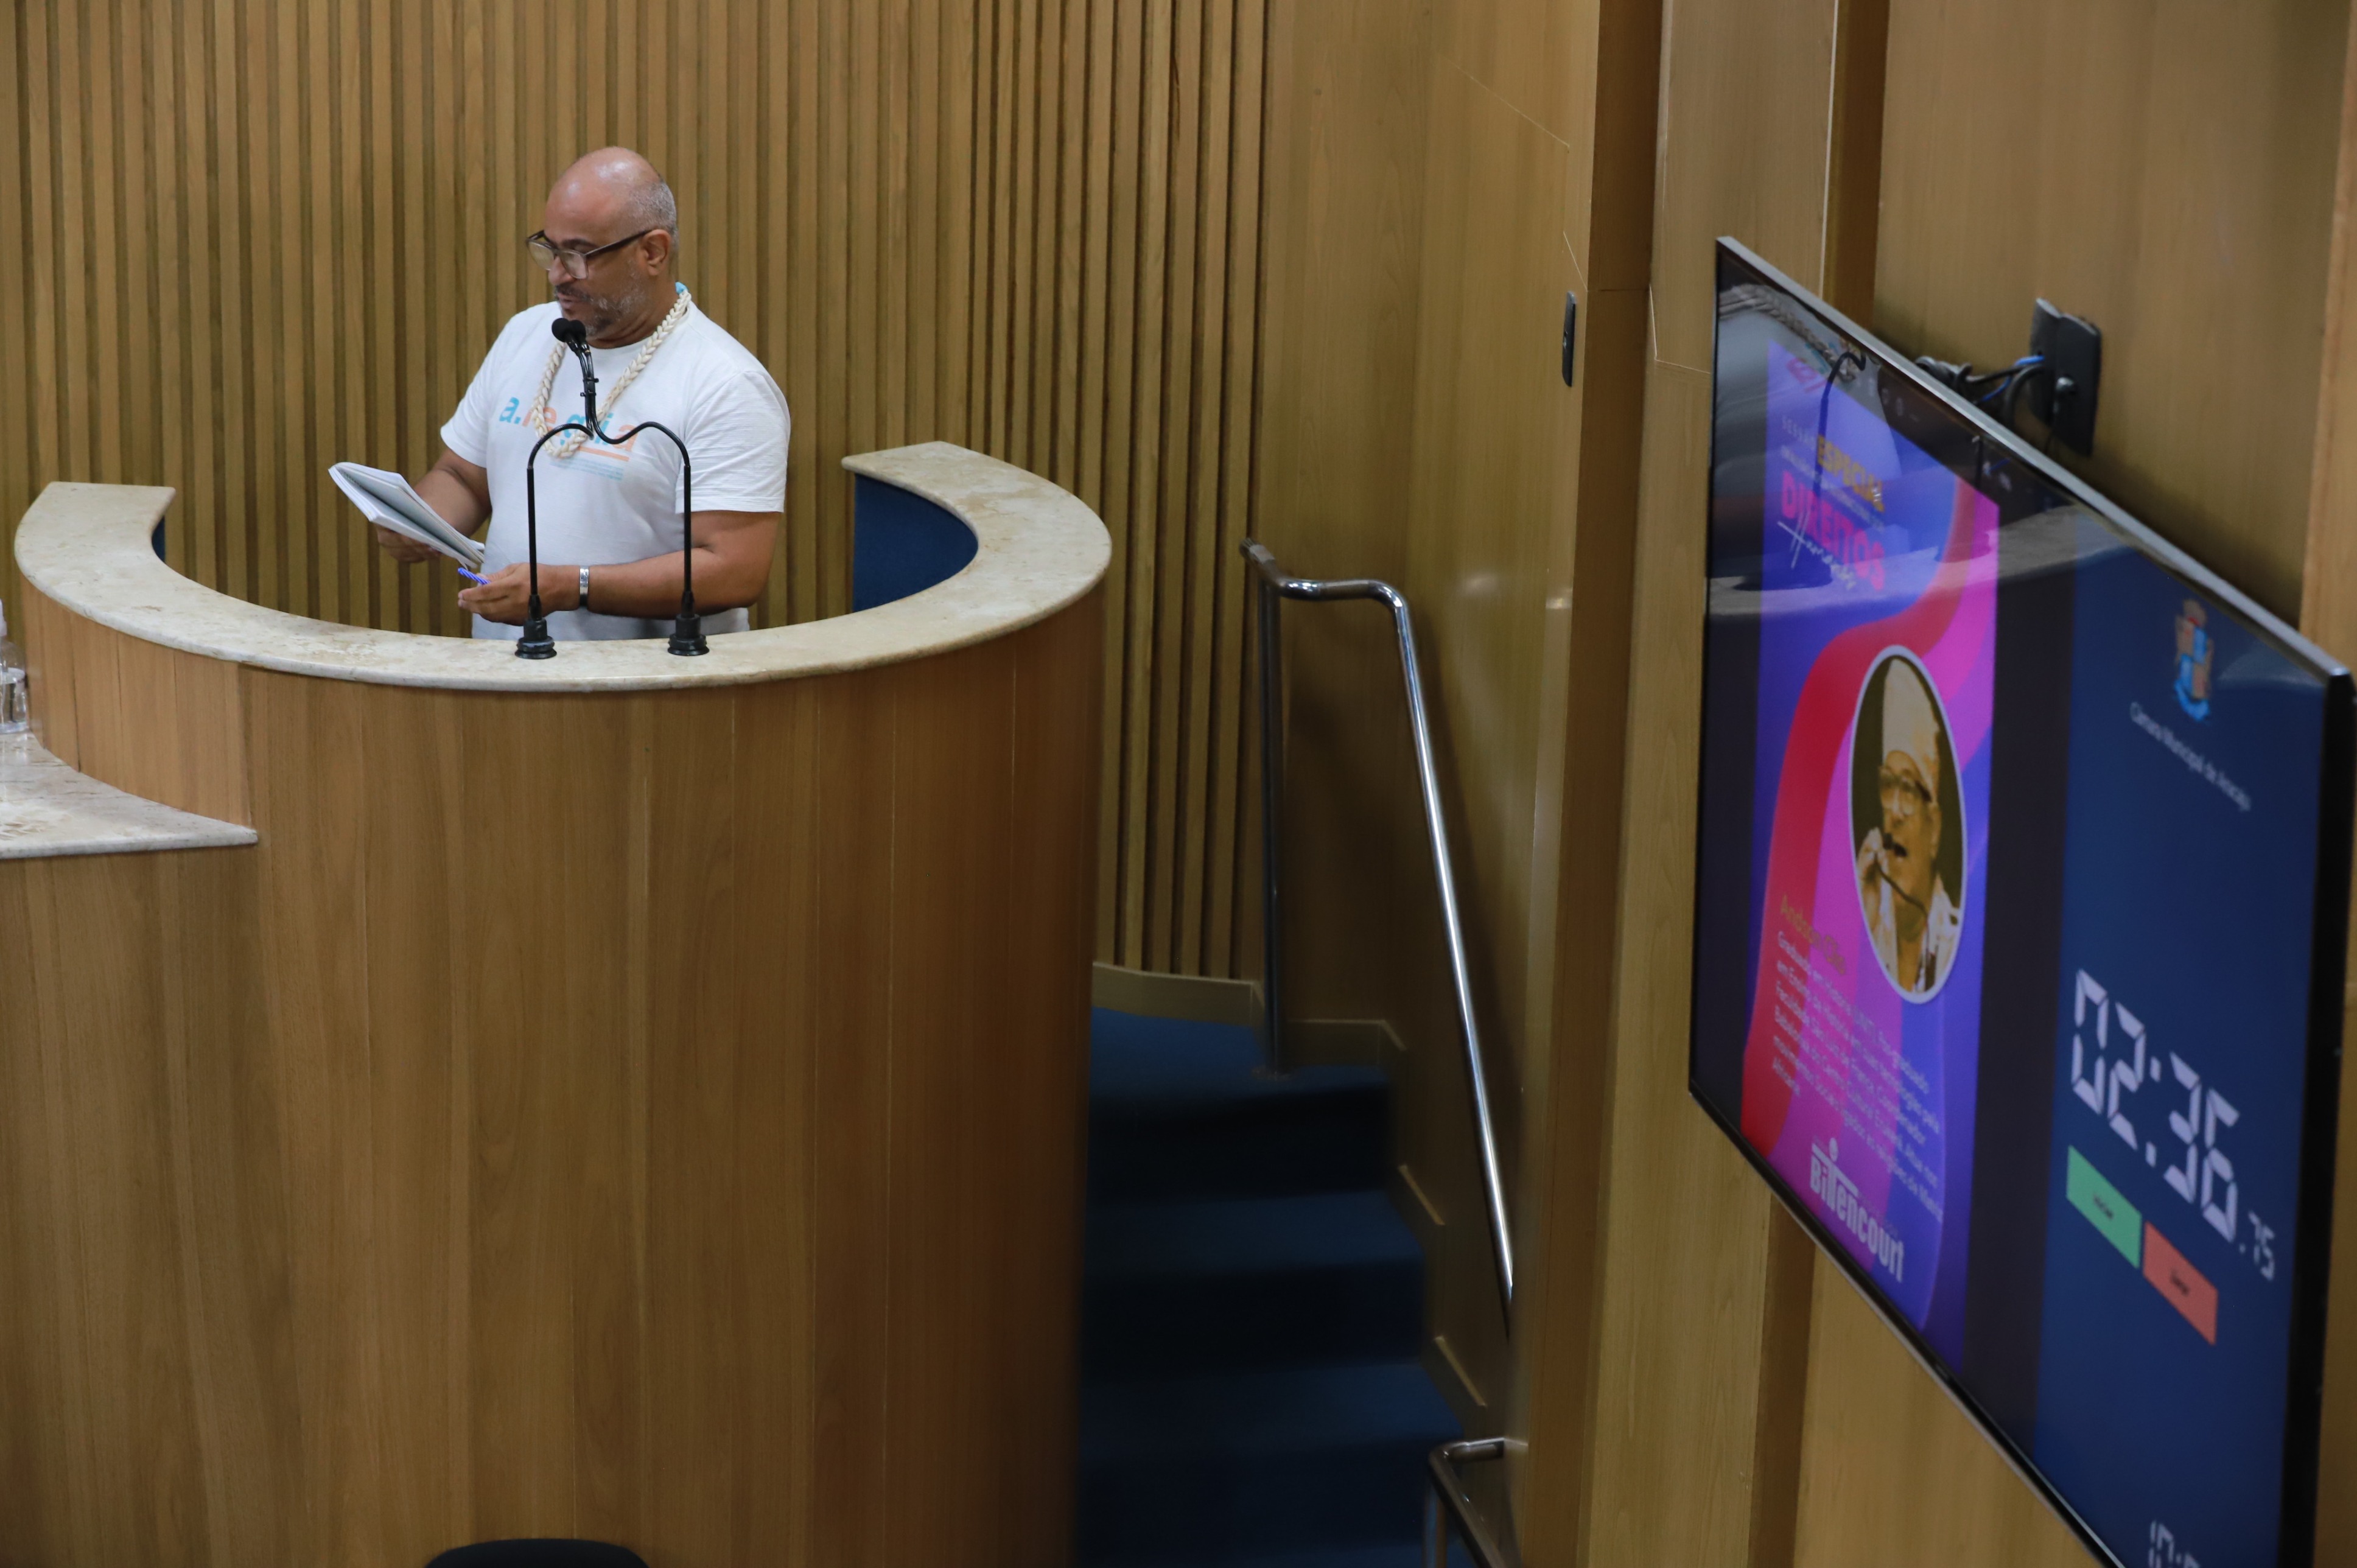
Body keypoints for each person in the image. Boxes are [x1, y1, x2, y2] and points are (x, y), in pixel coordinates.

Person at [376, 147, 788, 640]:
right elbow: (464, 477)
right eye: (550, 250)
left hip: (650, 681)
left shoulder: (726, 383)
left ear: (652, 252)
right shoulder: (527, 334)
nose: (557, 274)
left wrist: (573, 588)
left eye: (578, 254)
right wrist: (423, 523)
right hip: (506, 670)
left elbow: (735, 570)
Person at [1855, 657, 1959, 997]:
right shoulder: (1871, 915)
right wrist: (1863, 915)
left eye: (1909, 790)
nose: (1895, 812)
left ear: (1935, 830)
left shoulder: (1955, 945)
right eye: (1888, 785)